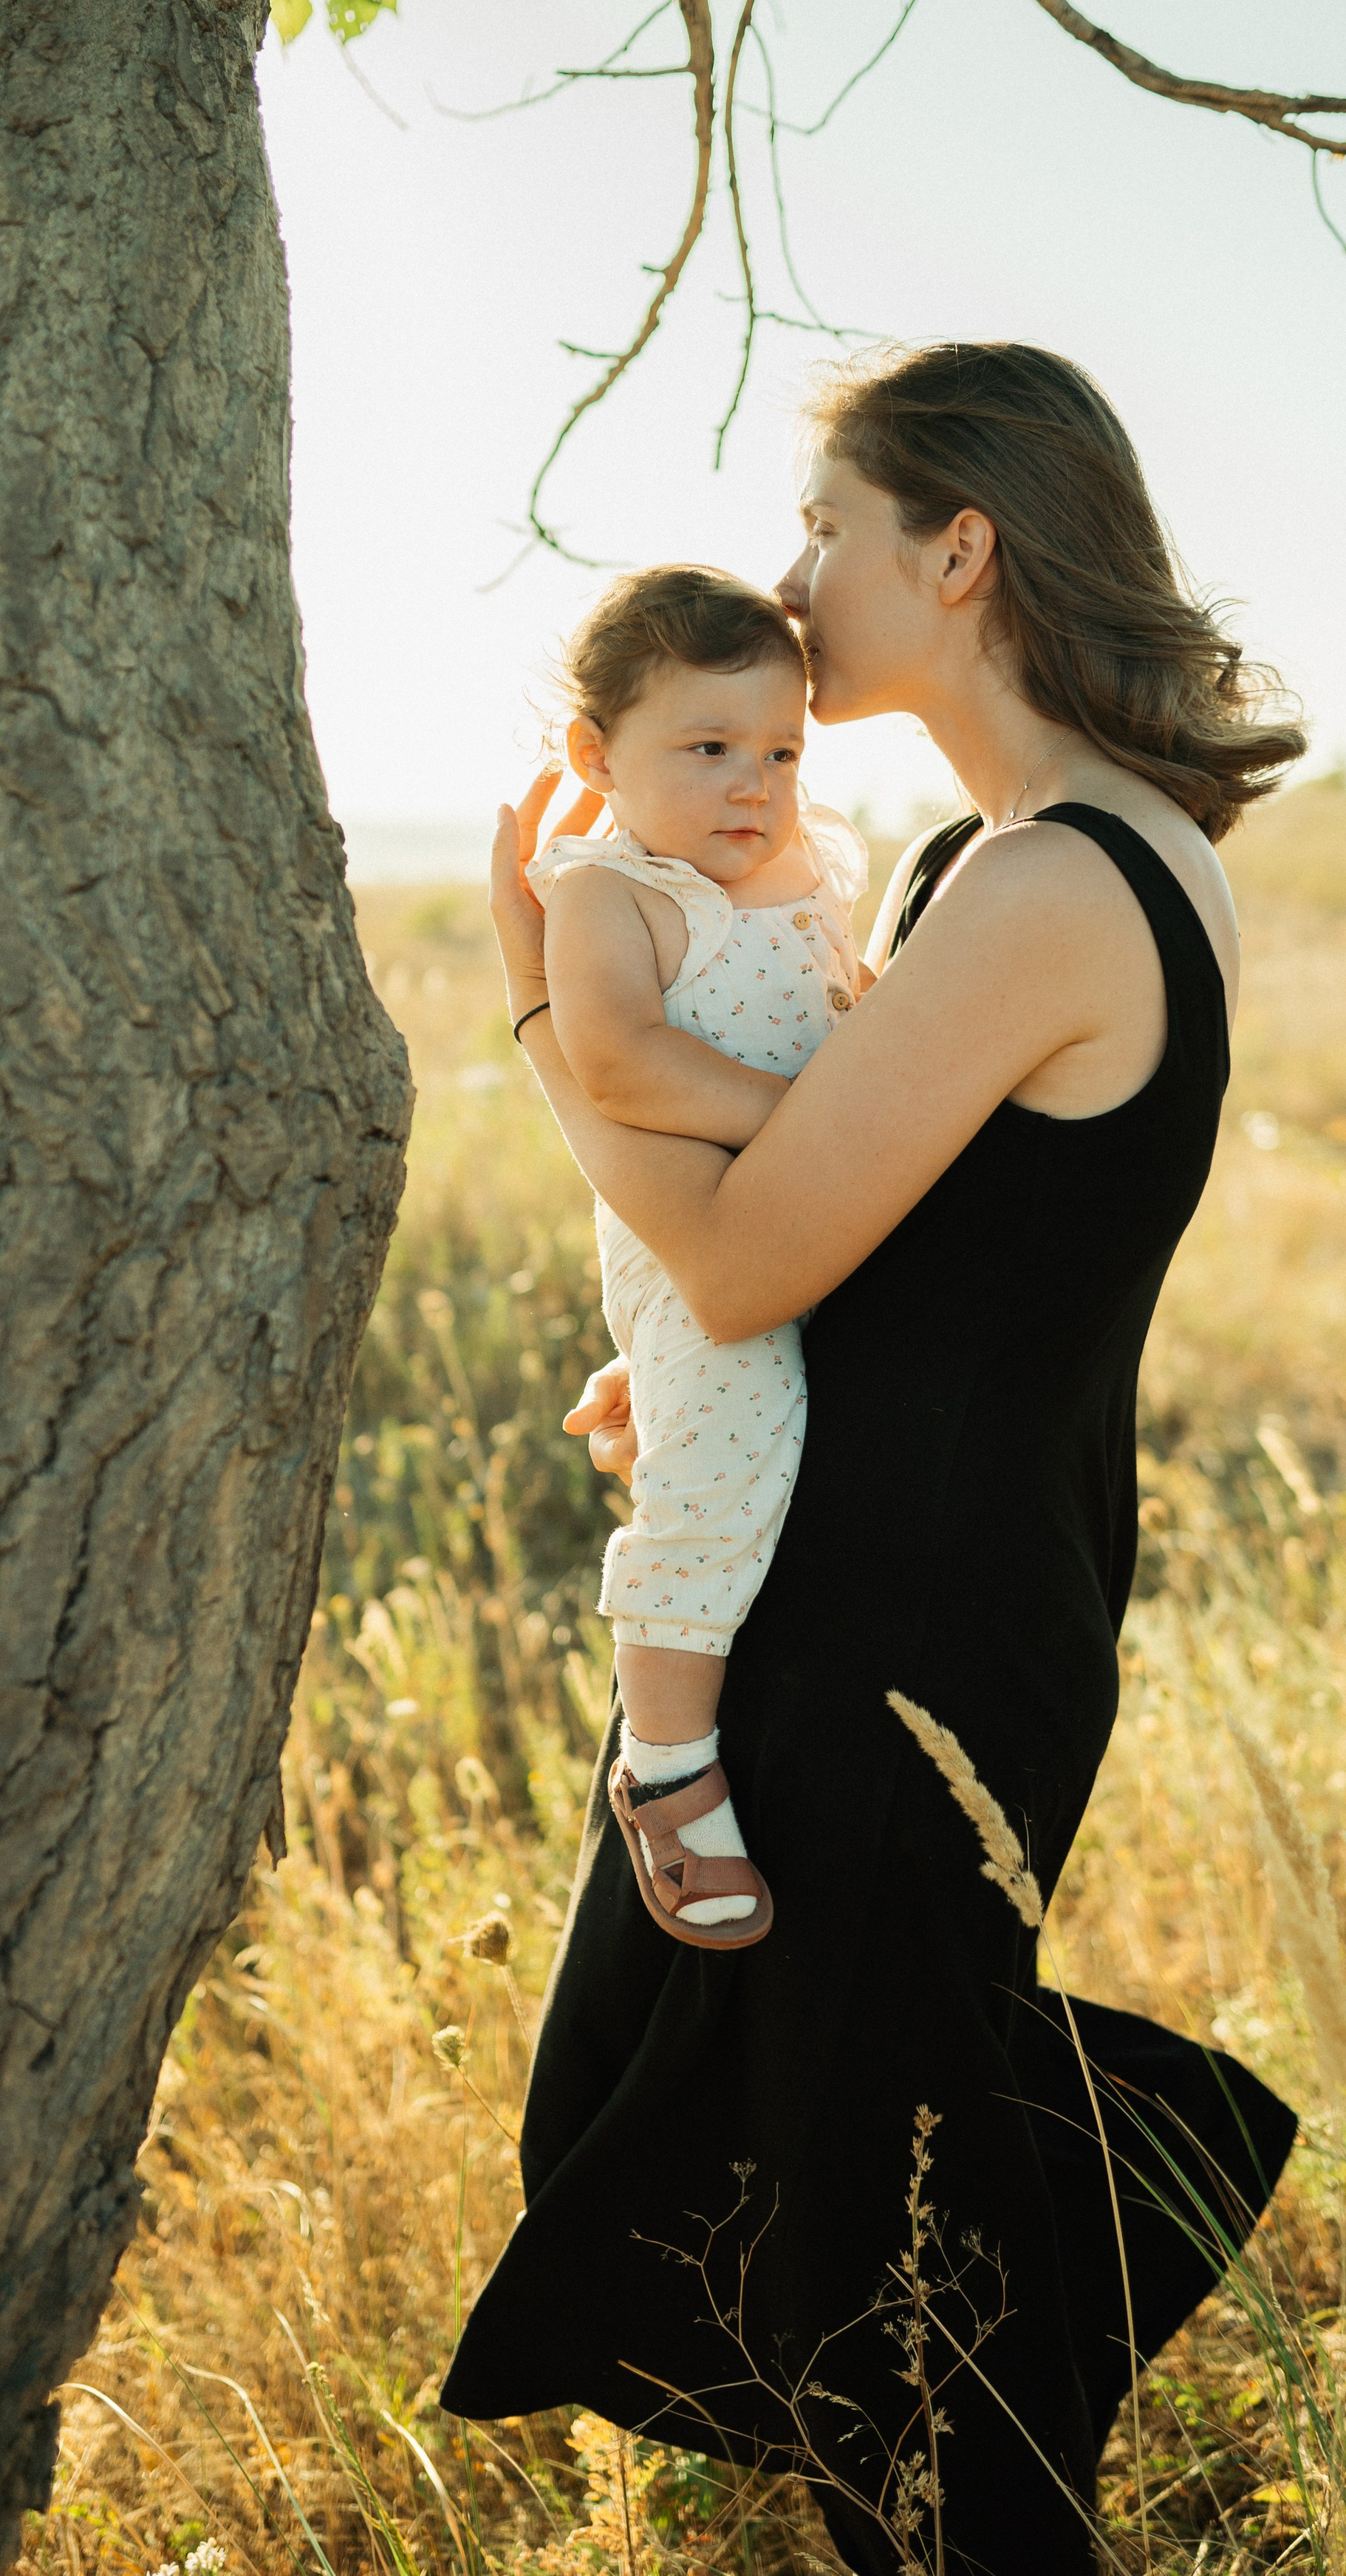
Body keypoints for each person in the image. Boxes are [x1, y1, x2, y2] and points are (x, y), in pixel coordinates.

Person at [443, 341, 1307, 2575]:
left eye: (828, 527)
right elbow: (915, 1249)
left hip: (903, 1637)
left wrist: (541, 1000)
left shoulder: (1046, 889)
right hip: (932, 1579)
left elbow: (732, 1255)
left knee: (889, 2274)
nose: (797, 578)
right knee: (812, 2152)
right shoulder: (1005, 860)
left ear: (962, 546)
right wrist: (727, 1374)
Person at [527, 563, 870, 1943]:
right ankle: (666, 1759)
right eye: (709, 750)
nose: (754, 785)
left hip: (834, 1207)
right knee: (724, 1453)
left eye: (781, 749)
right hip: (701, 1246)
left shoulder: (815, 858)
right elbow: (621, 1062)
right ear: (596, 758)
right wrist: (818, 1128)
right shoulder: (611, 891)